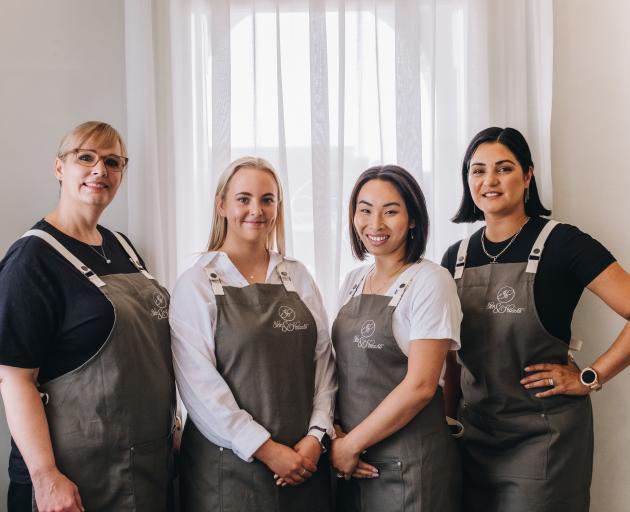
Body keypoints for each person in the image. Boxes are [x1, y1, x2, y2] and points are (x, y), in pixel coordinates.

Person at [442, 126, 630, 512]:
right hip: (473, 436)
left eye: (503, 168)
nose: (489, 181)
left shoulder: (563, 243)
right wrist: (446, 423)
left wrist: (589, 377)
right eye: (477, 170)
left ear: (527, 175)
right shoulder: (454, 257)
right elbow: (447, 355)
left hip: (544, 439)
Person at [0, 121, 177, 512]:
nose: (100, 170)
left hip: (145, 465)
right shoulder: (31, 259)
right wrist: (46, 478)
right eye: (86, 157)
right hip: (74, 480)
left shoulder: (123, 247)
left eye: (112, 162)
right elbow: (14, 379)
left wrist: (173, 425)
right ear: (59, 168)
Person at [170, 156, 336, 511]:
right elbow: (200, 388)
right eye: (243, 199)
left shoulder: (297, 276)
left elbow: (323, 364)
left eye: (267, 199)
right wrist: (267, 450)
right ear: (222, 205)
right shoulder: (196, 284)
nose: (255, 210)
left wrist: (316, 435)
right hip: (228, 473)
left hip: (304, 466)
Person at [331, 165, 462, 511]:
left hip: (410, 465)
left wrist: (350, 445)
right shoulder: (353, 281)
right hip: (355, 465)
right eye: (365, 209)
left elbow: (421, 385)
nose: (375, 224)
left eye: (390, 211)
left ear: (413, 219)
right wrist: (336, 436)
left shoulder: (431, 281)